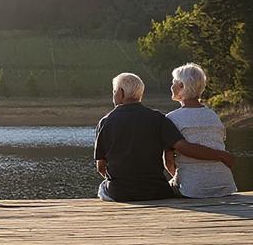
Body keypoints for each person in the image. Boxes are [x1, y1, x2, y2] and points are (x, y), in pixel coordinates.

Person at [94, 72, 234, 202]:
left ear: (120, 93)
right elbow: (180, 148)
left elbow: (101, 167)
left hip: (120, 193)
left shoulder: (105, 122)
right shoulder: (159, 119)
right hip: (156, 191)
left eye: (114, 91)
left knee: (102, 188)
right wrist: (221, 155)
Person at [165, 63, 237, 198]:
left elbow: (169, 161)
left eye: (173, 82)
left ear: (181, 86)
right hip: (225, 186)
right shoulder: (213, 115)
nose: (171, 86)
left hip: (192, 190)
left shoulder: (171, 118)